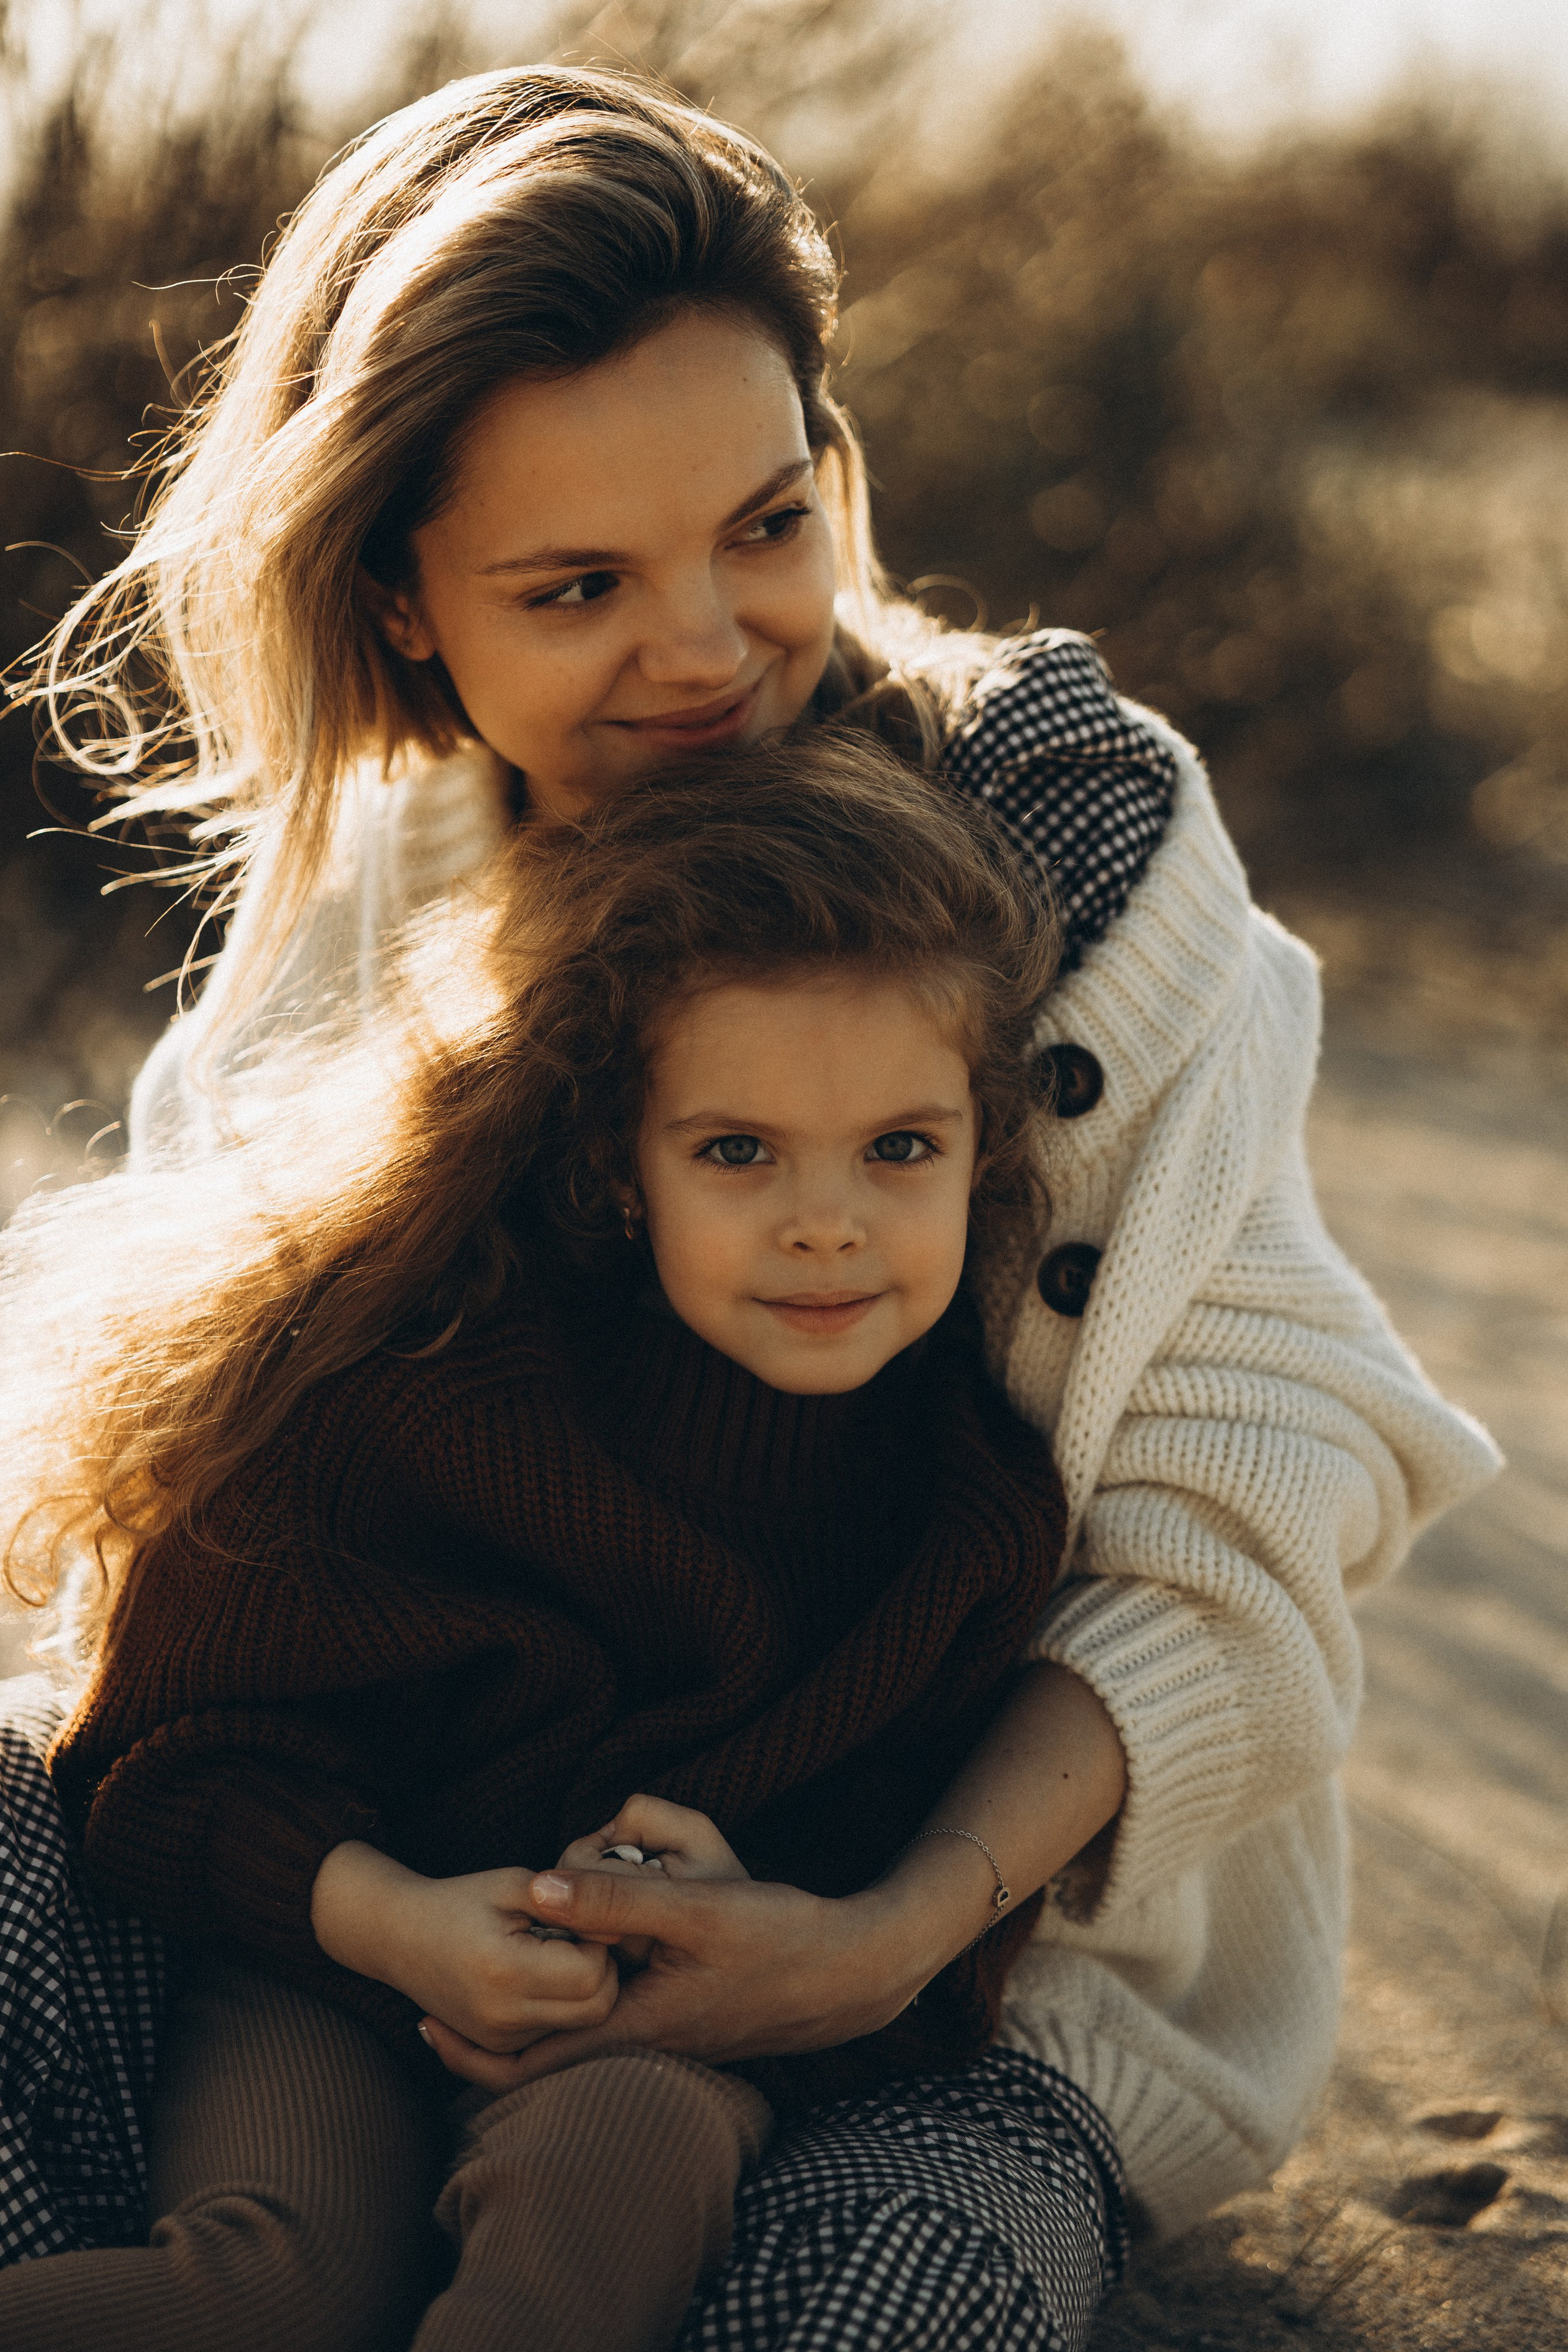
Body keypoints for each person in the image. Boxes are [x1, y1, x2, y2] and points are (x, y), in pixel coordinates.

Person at [1, 59, 1496, 2351]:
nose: (706, 648)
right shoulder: (373, 877)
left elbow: (1254, 1485)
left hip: (952, 1970)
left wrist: (884, 1928)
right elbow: (220, 1501)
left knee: (848, 2309)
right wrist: (386, 1906)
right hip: (385, 1903)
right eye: (577, 583)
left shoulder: (1061, 843)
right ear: (401, 603)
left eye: (767, 525)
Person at [2, 744, 1125, 2351]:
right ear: (619, 1165)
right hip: (333, 1973)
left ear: (986, 1151)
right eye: (739, 1151)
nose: (831, 1221)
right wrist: (393, 1919)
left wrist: (732, 1942)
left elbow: (913, 1963)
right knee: (273, 2289)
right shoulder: (415, 1390)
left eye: (901, 1149)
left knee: (620, 2183)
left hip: (668, 2044)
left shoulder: (967, 1511)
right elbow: (167, 1769)